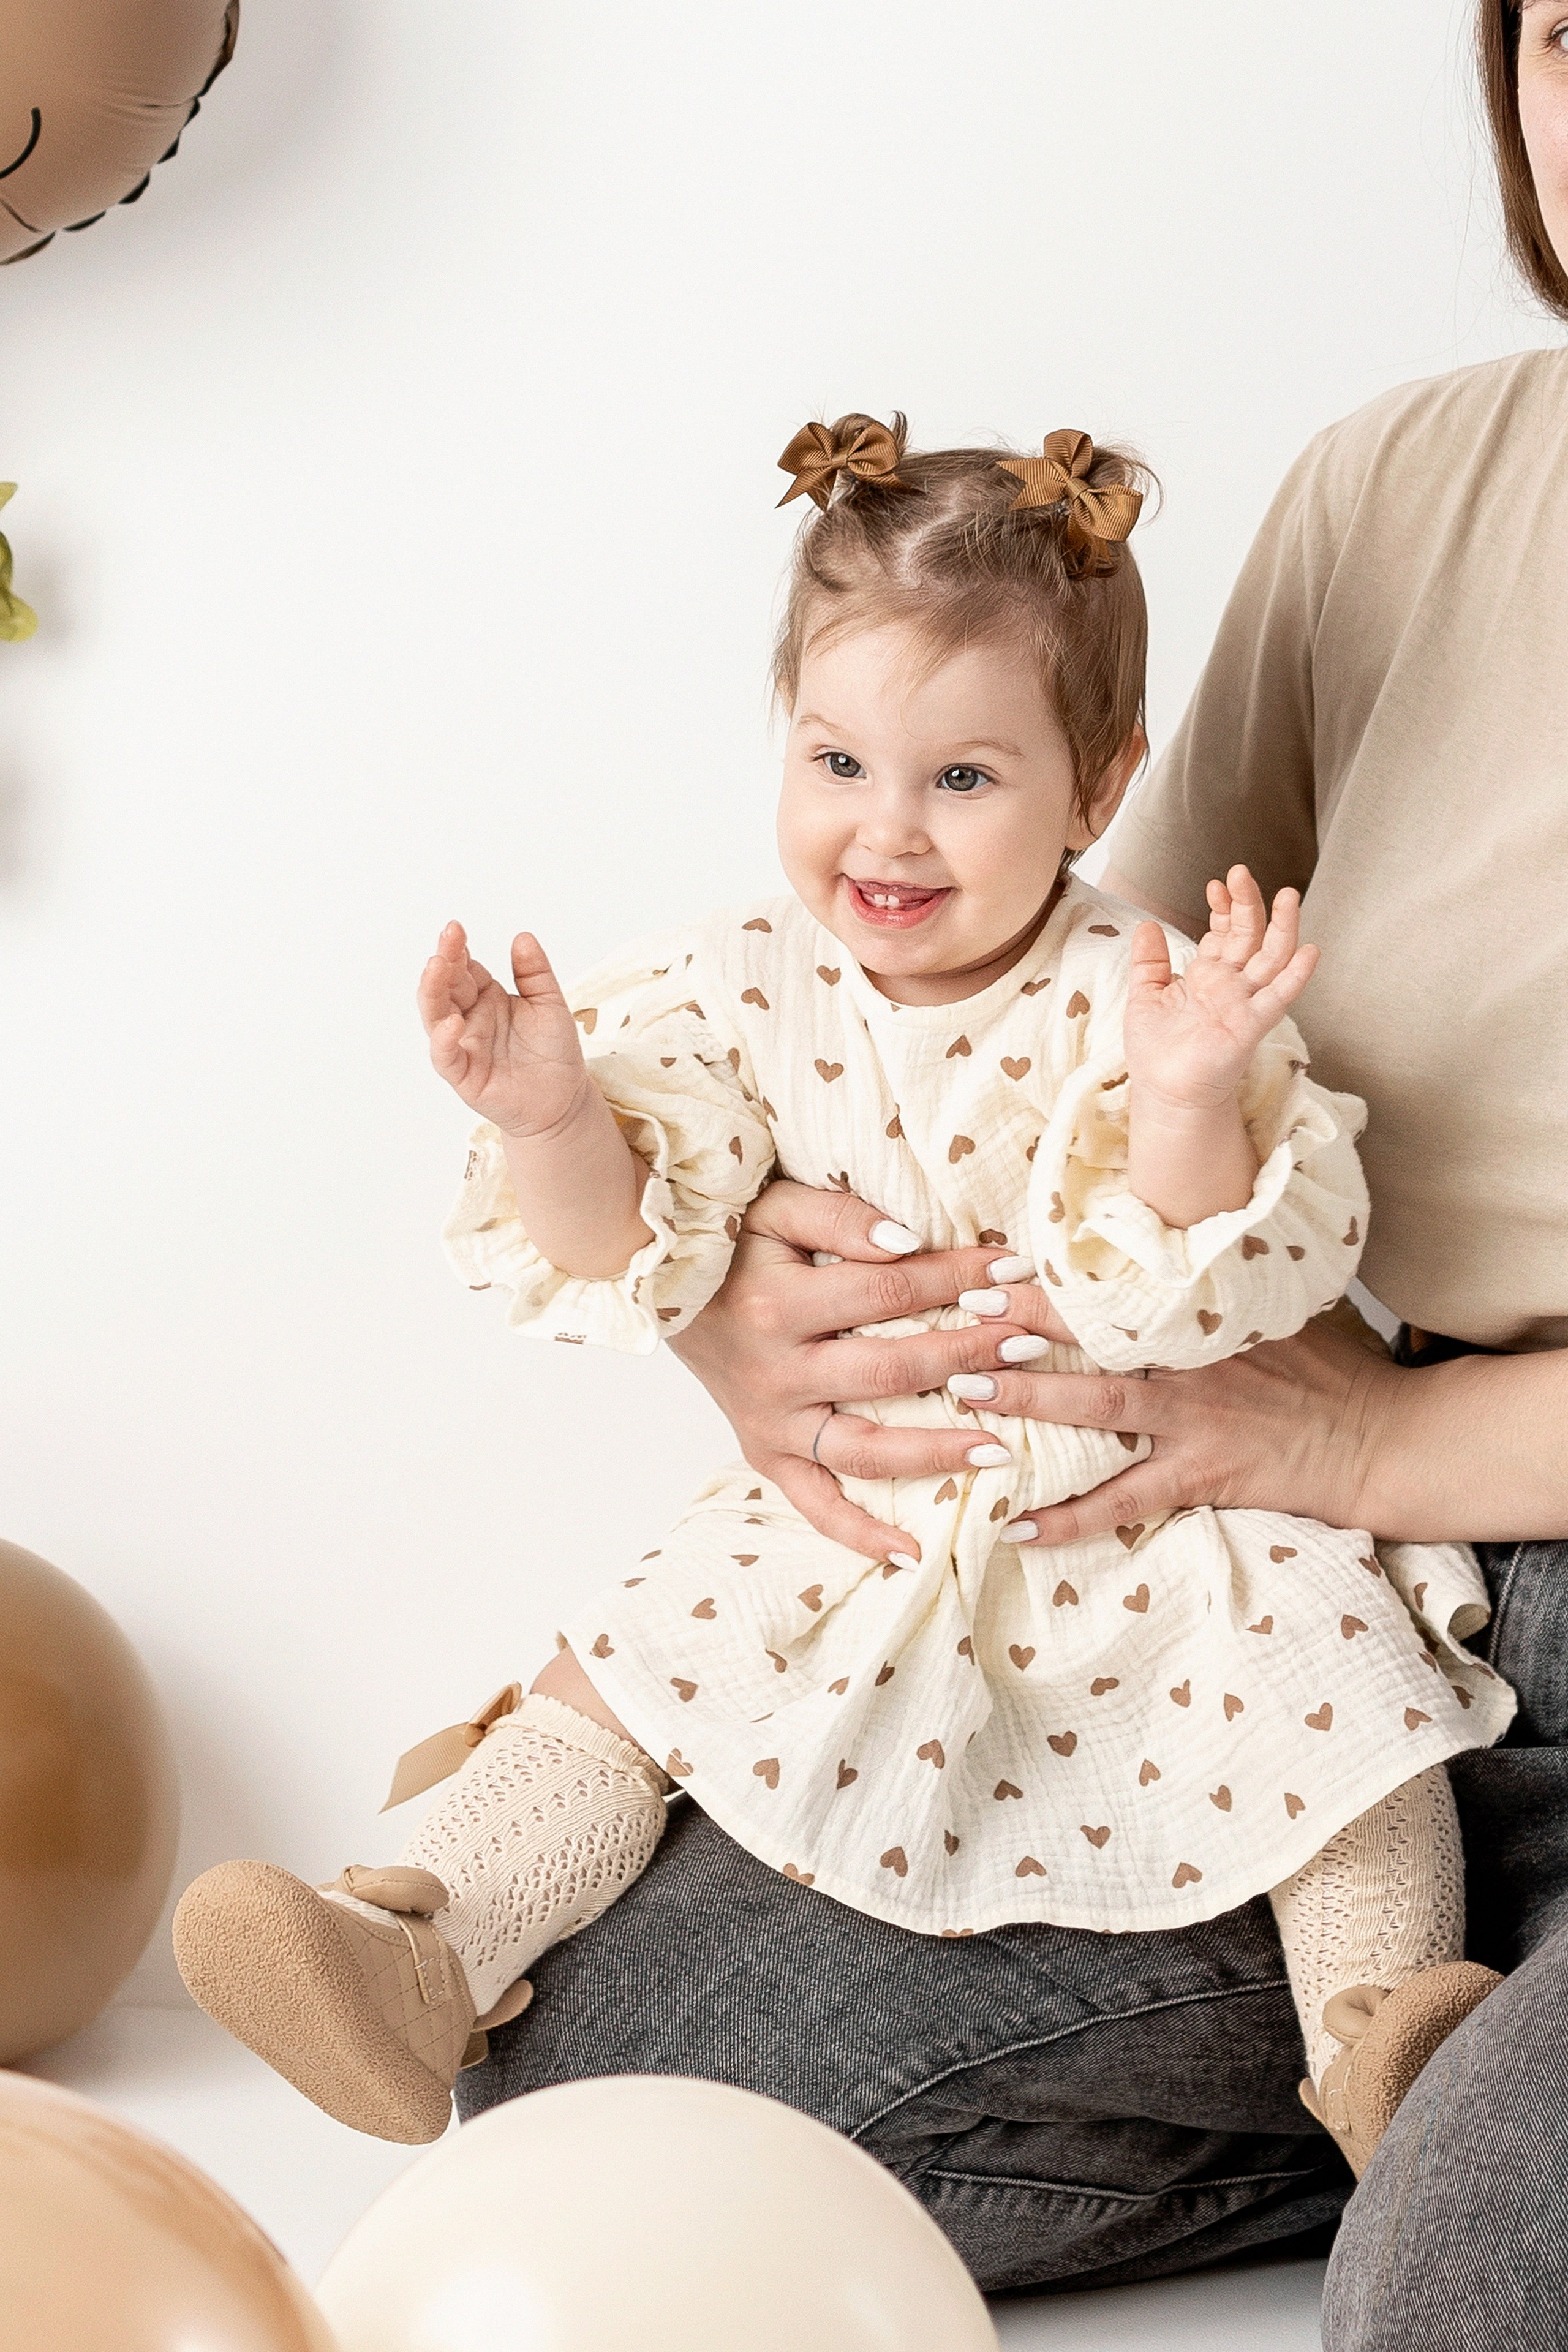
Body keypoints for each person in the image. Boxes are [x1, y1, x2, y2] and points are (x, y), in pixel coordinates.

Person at [453, 5, 1568, 2339]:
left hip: (1427, 1490)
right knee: (605, 2092)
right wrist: (745, 1299)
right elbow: (1037, 1011)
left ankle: (1421, 2085)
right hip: (1288, 1558)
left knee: (1472, 2292)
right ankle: (1393, 2029)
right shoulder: (1412, 487)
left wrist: (1378, 1434)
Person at [172, 418, 1506, 2174]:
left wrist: (1187, 1096)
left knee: (1343, 1703)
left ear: (1100, 788)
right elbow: (629, 1240)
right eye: (837, 760)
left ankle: (1383, 2042)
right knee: (637, 1658)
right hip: (871, 1495)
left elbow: (1195, 1288)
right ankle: (424, 1950)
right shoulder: (743, 982)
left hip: (1163, 1500)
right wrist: (558, 1117)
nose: (889, 831)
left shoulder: (1141, 992)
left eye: (965, 779)